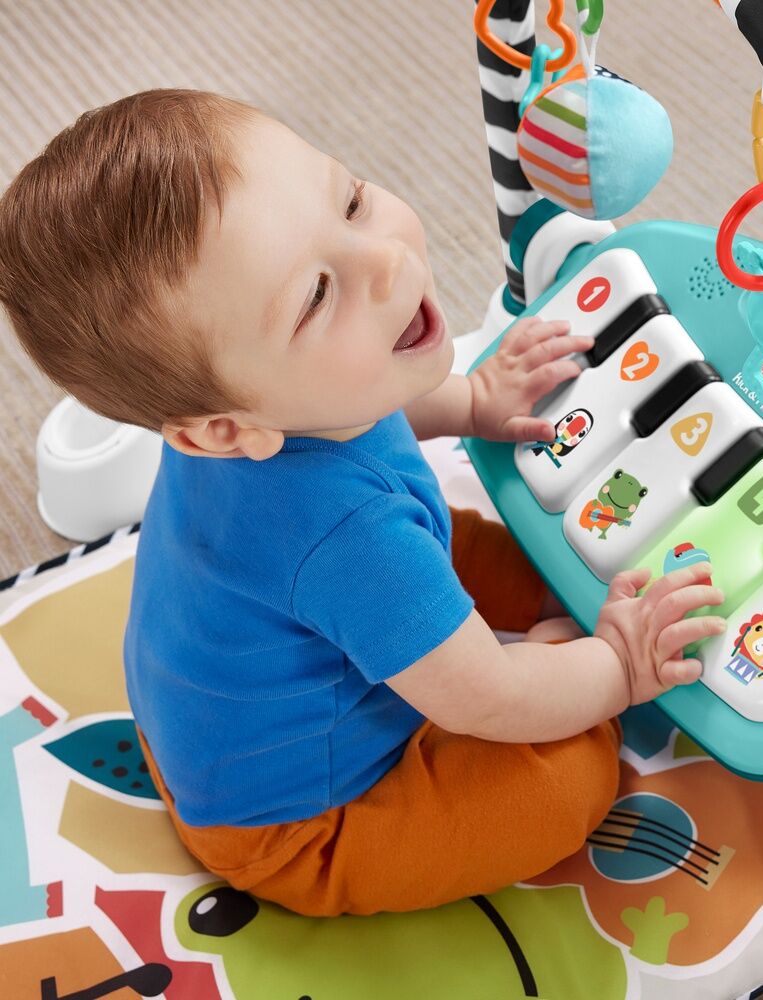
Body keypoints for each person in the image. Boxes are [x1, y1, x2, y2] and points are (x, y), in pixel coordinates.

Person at [0, 89, 726, 916]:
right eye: (315, 295)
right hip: (298, 818)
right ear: (224, 430)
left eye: (349, 200)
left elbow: (371, 408)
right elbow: (484, 696)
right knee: (568, 784)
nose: (381, 260)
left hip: (244, 675)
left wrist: (475, 398)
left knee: (512, 554)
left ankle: (549, 641)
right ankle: (586, 675)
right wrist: (615, 671)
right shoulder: (344, 536)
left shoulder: (274, 402)